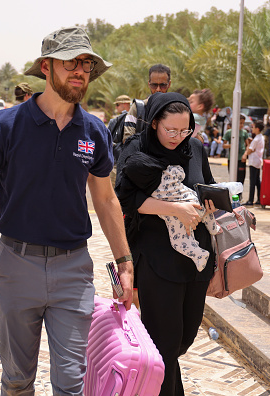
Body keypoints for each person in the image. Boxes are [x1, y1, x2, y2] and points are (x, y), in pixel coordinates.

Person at [0, 27, 133, 396]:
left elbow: (106, 200)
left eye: (87, 64)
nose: (80, 71)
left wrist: (124, 262)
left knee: (71, 384)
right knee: (16, 382)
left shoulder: (94, 132)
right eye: (70, 62)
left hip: (74, 270)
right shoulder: (4, 128)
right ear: (46, 67)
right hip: (16, 267)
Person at [115, 92, 217, 396]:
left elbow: (206, 186)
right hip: (157, 259)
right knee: (165, 343)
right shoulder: (136, 149)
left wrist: (215, 204)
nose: (177, 137)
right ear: (155, 123)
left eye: (184, 130)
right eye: (170, 130)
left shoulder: (195, 148)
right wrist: (173, 209)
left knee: (182, 339)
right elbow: (124, 198)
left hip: (196, 259)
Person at [121, 63, 172, 144]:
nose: (158, 89)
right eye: (154, 85)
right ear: (149, 84)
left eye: (162, 85)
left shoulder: (176, 108)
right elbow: (127, 140)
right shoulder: (137, 108)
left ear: (169, 84)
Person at [222, 114, 250, 191]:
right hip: (232, 159)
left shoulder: (244, 132)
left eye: (243, 123)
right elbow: (224, 145)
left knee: (241, 178)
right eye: (240, 123)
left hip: (241, 159)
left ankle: (239, 195)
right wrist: (231, 145)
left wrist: (245, 155)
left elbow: (248, 145)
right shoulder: (229, 132)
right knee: (233, 178)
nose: (242, 125)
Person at [242, 121, 265, 206]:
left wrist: (247, 150)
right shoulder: (260, 137)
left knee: (252, 182)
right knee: (257, 181)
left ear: (257, 129)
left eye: (253, 127)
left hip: (254, 161)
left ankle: (250, 200)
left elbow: (250, 150)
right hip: (258, 161)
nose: (252, 129)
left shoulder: (256, 139)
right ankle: (259, 199)